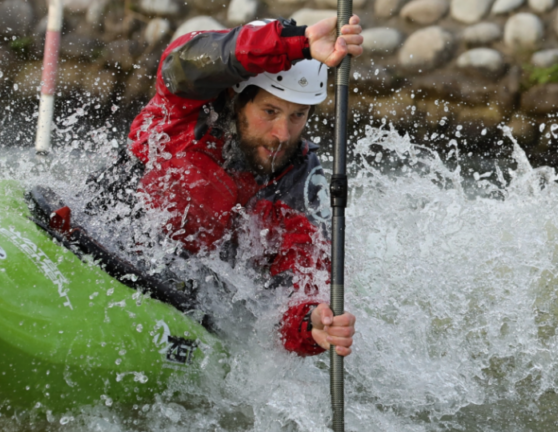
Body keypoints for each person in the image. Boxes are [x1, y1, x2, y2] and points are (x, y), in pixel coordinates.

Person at [87, 16, 363, 357]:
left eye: (297, 116)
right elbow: (192, 56)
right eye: (270, 111)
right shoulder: (184, 111)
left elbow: (300, 284)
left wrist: (311, 323)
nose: (283, 134)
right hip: (92, 247)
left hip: (179, 311)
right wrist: (299, 42)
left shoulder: (300, 182)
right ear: (236, 98)